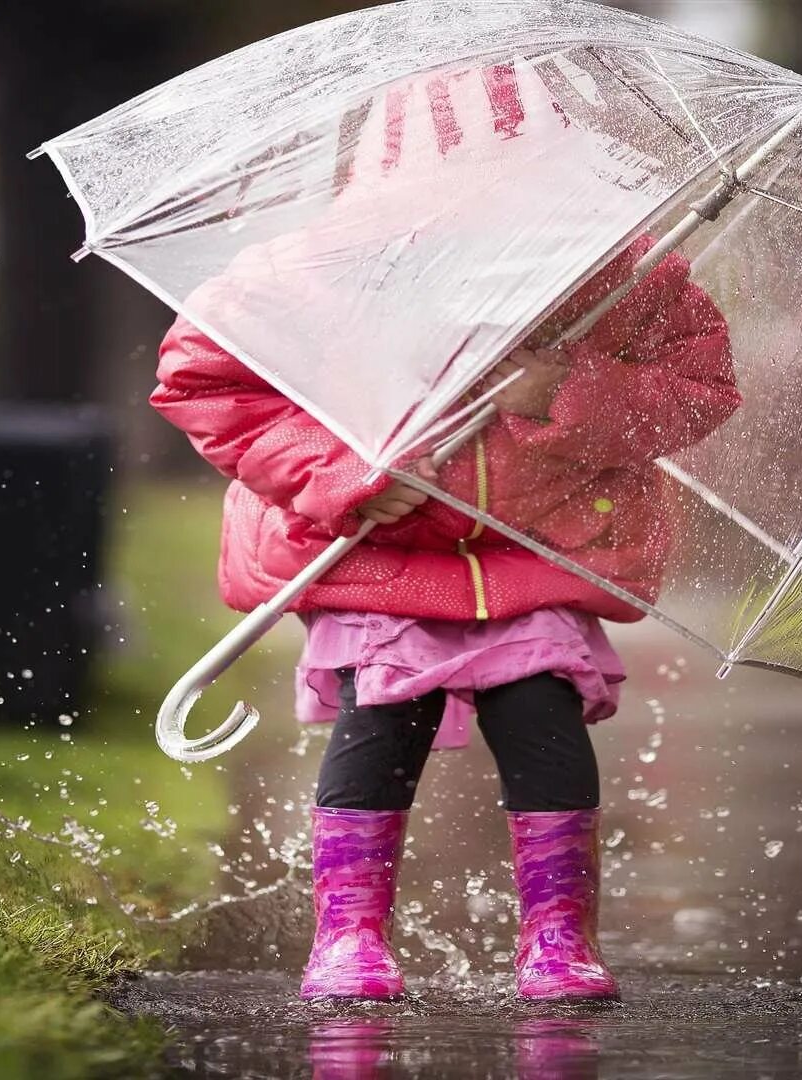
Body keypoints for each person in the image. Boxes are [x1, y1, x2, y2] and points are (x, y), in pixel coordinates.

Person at [151, 234, 739, 1002]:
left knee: (540, 713)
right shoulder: (309, 272)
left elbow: (698, 390)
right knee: (384, 717)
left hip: (534, 549)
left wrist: (565, 389)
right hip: (377, 552)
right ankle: (347, 936)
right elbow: (211, 384)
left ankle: (558, 938)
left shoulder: (616, 271)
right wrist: (337, 469)